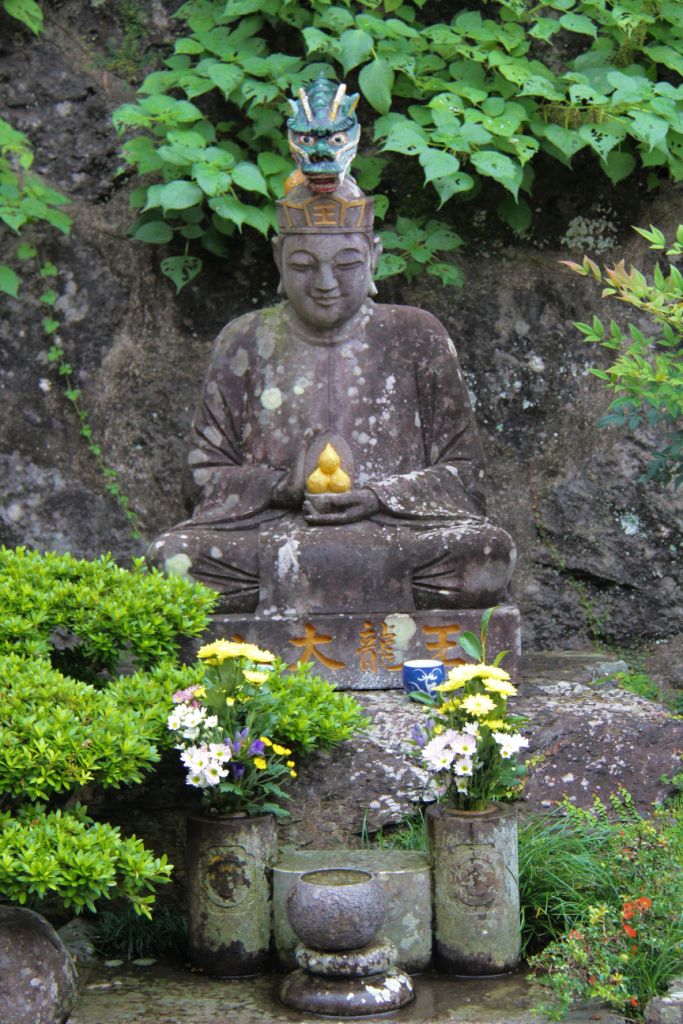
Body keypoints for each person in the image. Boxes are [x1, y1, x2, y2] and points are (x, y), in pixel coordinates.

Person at [146, 82, 516, 615]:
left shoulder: (417, 334)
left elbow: (466, 477)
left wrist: (378, 497)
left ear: (374, 258)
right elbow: (201, 479)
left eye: (346, 265)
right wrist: (283, 488)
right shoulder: (244, 339)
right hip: (275, 534)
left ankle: (305, 602)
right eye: (303, 265)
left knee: (486, 554)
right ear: (278, 261)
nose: (325, 283)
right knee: (175, 558)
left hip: (393, 533)